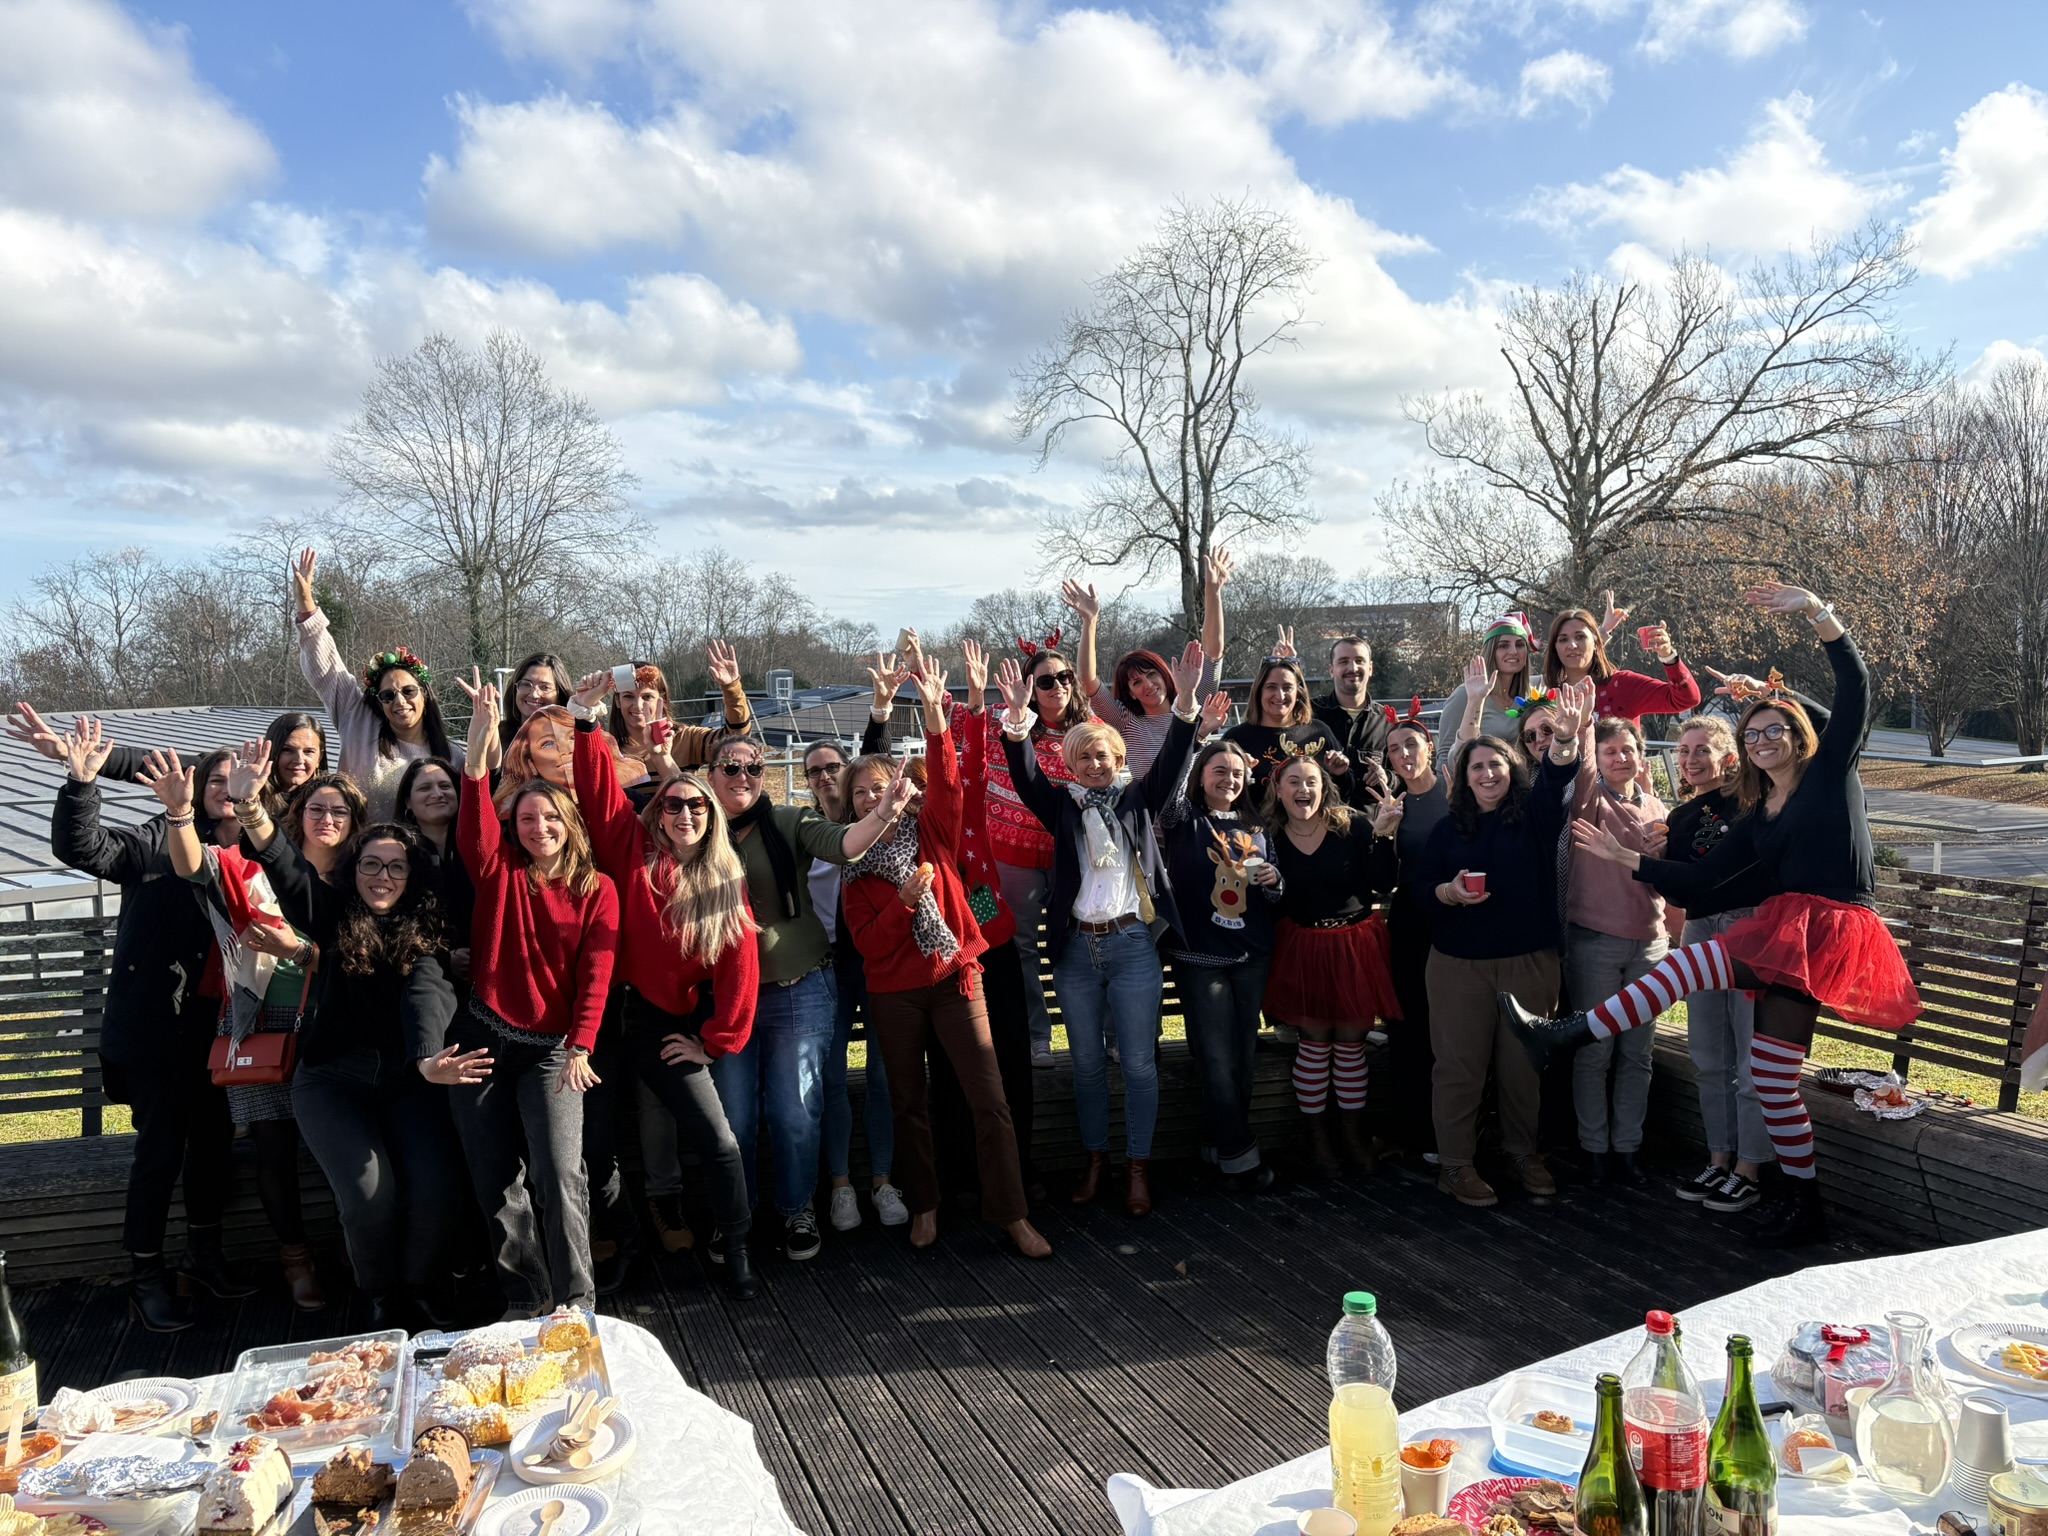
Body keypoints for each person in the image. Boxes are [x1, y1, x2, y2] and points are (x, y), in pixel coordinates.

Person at [1506, 584, 1919, 1247]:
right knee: (1773, 1079)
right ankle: (1804, 1202)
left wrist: (1818, 613)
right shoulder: (1759, 814)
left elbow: (1856, 687)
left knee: (1695, 965)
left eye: (1773, 730)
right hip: (1789, 931)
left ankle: (1567, 1034)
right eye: (1752, 733)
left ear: (1799, 736)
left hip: (1834, 927)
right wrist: (1626, 857)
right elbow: (1702, 878)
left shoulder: (1830, 774)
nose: (1761, 740)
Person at [220, 742, 471, 1330]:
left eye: (395, 867)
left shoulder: (425, 931)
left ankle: (419, 1286)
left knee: (436, 1188)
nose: (382, 877)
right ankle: (380, 1291)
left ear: (411, 875)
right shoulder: (333, 916)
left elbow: (426, 993)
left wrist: (427, 1058)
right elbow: (289, 871)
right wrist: (251, 809)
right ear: (353, 871)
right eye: (370, 865)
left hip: (408, 1081)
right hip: (332, 1081)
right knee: (369, 1196)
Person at [838, 663, 1051, 1257]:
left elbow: (953, 780)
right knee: (910, 1104)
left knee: (991, 1100)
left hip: (956, 979)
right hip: (895, 995)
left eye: (879, 787)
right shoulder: (854, 868)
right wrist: (905, 904)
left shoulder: (933, 829)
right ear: (851, 808)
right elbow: (870, 945)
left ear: (899, 791)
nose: (872, 797)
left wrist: (936, 712)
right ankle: (926, 1205)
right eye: (860, 793)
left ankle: (1012, 1215)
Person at [998, 642, 1214, 1217]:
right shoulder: (1063, 806)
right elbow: (1025, 776)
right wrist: (1017, 718)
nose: (1094, 764)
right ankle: (1096, 1160)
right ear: (1071, 765)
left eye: (1102, 755)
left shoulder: (1139, 797)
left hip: (1133, 946)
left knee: (1138, 1063)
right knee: (1088, 1066)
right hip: (1076, 952)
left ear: (1118, 756)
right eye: (1084, 758)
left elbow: (1174, 758)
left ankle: (1137, 1165)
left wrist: (1186, 704)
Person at [568, 670, 763, 1299]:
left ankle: (736, 1247)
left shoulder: (723, 882)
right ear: (657, 812)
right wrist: (583, 719)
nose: (684, 813)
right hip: (602, 1018)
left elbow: (740, 968)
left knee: (719, 1140)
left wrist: (714, 1042)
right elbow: (598, 791)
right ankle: (622, 1240)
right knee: (594, 1143)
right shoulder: (630, 848)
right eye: (673, 804)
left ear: (712, 817)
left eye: (697, 806)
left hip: (662, 1024)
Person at [47, 718, 242, 1331]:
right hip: (158, 1030)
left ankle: (203, 1256)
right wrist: (83, 782)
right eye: (216, 780)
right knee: (160, 1151)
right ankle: (146, 1276)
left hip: (221, 1027)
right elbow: (83, 849)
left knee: (214, 1142)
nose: (227, 790)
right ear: (197, 786)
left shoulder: (258, 843)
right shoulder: (159, 840)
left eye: (237, 782)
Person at [705, 731, 913, 1261]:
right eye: (730, 767)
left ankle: (798, 1207)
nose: (743, 776)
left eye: (754, 768)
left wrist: (884, 811)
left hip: (800, 988)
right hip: (728, 997)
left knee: (796, 1112)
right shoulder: (695, 826)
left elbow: (844, 844)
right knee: (734, 1118)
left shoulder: (789, 822)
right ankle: (736, 1215)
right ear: (710, 775)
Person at [130, 744, 324, 1312]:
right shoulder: (241, 865)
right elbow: (192, 864)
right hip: (261, 1017)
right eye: (308, 813)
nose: (317, 822)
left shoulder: (347, 867)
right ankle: (295, 1258)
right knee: (272, 1145)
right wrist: (179, 814)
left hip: (329, 1015)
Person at [453, 670, 619, 1314]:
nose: (538, 826)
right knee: (497, 1179)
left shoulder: (597, 889)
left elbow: (597, 974)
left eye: (550, 817)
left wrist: (581, 1045)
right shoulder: (498, 871)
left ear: (568, 822)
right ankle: (525, 1299)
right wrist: (479, 742)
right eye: (526, 818)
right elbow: (474, 819)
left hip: (555, 1051)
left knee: (559, 1171)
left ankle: (577, 1301)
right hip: (484, 1038)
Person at [1417, 681, 1587, 1208]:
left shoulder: (1535, 816)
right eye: (1477, 767)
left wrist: (1565, 741)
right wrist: (1448, 892)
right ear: (1464, 777)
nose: (1487, 773)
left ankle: (1521, 1152)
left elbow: (1558, 776)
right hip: (1458, 967)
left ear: (1513, 770)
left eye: (1496, 764)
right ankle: (1456, 1164)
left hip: (1527, 961)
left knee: (1522, 1067)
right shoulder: (1447, 831)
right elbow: (1421, 892)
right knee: (1459, 1068)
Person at [1158, 737, 1283, 1192]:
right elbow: (1170, 785)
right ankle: (1240, 1156)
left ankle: (1218, 1146)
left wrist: (1274, 879)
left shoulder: (1258, 826)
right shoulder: (1183, 819)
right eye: (1219, 771)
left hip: (1251, 955)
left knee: (1242, 1057)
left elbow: (1275, 895)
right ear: (1201, 775)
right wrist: (1197, 738)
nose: (1229, 779)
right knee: (1214, 1056)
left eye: (1237, 773)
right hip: (1200, 957)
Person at [1265, 750, 1399, 1174]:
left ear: (1324, 788)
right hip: (1304, 948)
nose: (1303, 789)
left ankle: (1352, 1136)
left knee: (1351, 1045)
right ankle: (1318, 1140)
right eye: (1294, 782)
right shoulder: (1269, 837)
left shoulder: (1352, 825)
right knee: (1314, 1044)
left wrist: (1383, 837)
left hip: (1354, 945)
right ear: (1278, 790)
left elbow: (1383, 882)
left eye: (1311, 781)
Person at [1662, 715, 1772, 1214]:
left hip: (1748, 928)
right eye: (1684, 751)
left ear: (1729, 756)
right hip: (1700, 930)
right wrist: (1656, 857)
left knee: (1750, 1058)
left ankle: (1750, 1168)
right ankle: (1719, 1159)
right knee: (1709, 1055)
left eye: (1702, 749)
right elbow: (1680, 890)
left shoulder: (1753, 800)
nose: (1691, 760)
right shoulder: (1680, 816)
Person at [1559, 715, 1670, 1189]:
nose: (1621, 758)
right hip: (1595, 942)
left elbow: (1665, 877)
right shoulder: (1588, 802)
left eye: (1629, 750)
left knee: (1637, 1053)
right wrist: (1583, 724)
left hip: (1649, 943)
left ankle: (1627, 1148)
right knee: (1595, 1051)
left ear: (1642, 756)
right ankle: (1594, 1149)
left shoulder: (1656, 806)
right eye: (1611, 751)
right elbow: (1581, 771)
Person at [982, 630, 1091, 1068]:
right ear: (1029, 686)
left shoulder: (1089, 733)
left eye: (1064, 677)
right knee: (1022, 947)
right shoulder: (1002, 722)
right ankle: (1037, 1036)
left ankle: (1098, 1036)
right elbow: (953, 717)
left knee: (1079, 943)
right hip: (1012, 857)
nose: (1057, 686)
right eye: (1044, 681)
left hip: (1071, 859)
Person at [291, 550, 463, 819]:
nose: (400, 701)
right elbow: (326, 669)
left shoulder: (452, 756)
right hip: (356, 844)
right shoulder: (358, 720)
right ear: (378, 701)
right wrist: (306, 606)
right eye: (388, 695)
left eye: (408, 691)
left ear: (425, 694)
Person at [1365, 703, 1450, 1163]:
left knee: (1451, 1029)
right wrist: (1381, 834)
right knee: (1409, 1029)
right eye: (1394, 749)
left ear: (1429, 747)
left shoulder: (1455, 793)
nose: (1402, 755)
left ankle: (1452, 1131)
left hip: (1455, 924)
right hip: (1411, 927)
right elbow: (1381, 882)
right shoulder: (1394, 805)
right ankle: (1412, 1129)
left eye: (1410, 744)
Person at [1064, 549, 1231, 777]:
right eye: (1136, 682)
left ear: (1164, 674)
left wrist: (1213, 591)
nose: (1148, 685)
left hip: (1195, 800)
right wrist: (1090, 621)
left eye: (1151, 674)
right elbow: (1087, 680)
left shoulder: (1194, 704)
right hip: (1149, 801)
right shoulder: (1127, 721)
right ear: (1131, 693)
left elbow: (1213, 652)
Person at [605, 648, 756, 807]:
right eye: (628, 696)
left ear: (662, 699)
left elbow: (737, 742)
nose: (638, 705)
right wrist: (589, 700)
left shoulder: (685, 738)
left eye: (647, 696)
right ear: (618, 701)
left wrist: (732, 689)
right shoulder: (608, 750)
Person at [1542, 607, 1702, 725]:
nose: (1572, 645)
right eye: (1563, 639)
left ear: (1597, 642)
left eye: (1580, 637)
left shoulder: (1622, 685)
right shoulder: (1546, 695)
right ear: (1555, 647)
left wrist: (1668, 656)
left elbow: (1686, 699)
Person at [1226, 655, 1349, 795]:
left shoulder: (1319, 732)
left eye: (1287, 688)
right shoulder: (1238, 738)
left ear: (1298, 692)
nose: (1280, 695)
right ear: (1259, 691)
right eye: (1271, 687)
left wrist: (1340, 773)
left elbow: (1344, 793)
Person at [1434, 614, 1537, 764]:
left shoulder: (1529, 696)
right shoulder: (1465, 695)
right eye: (1503, 646)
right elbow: (1445, 756)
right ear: (1490, 652)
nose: (1514, 651)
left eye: (1520, 645)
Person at [1312, 635, 1393, 811]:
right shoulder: (1310, 715)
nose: (1352, 668)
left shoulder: (1388, 721)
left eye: (1359, 661)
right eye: (1343, 661)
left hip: (1370, 823)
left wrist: (1387, 777)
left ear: (1370, 668)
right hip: (1318, 820)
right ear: (1332, 670)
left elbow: (1406, 774)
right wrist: (1283, 663)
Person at [500, 654, 575, 749]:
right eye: (526, 684)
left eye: (545, 687)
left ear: (560, 695)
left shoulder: (573, 740)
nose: (534, 694)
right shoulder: (497, 736)